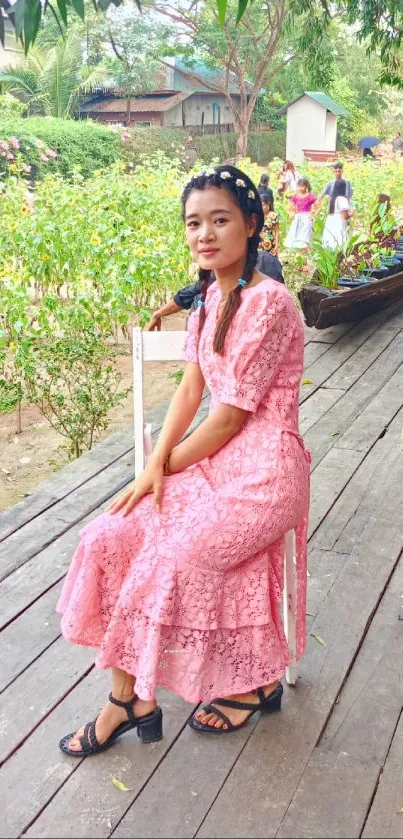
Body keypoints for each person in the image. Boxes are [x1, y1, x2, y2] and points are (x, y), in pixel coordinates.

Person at [57, 164, 310, 753]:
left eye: (220, 220)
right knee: (111, 534)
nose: (205, 234)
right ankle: (131, 696)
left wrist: (162, 467)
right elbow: (191, 392)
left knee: (169, 554)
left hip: (264, 471)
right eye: (194, 223)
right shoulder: (206, 301)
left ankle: (198, 692)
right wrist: (154, 465)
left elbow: (228, 418)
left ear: (250, 224)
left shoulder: (270, 303)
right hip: (215, 464)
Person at [146, 251, 285, 330]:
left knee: (199, 299)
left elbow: (187, 295)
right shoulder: (270, 263)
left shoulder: (223, 274)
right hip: (271, 327)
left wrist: (158, 314)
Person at [284, 178, 317, 251]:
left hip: (307, 216)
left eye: (303, 186)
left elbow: (318, 206)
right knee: (295, 232)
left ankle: (306, 250)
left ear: (306, 186)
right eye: (299, 186)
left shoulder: (311, 196)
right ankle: (297, 251)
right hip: (298, 216)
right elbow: (290, 206)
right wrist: (291, 213)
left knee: (306, 233)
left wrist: (313, 215)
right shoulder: (295, 196)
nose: (301, 188)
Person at [322, 179, 353, 249]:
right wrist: (352, 213)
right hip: (339, 221)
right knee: (339, 241)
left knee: (330, 241)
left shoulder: (331, 199)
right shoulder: (342, 199)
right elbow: (345, 216)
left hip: (330, 221)